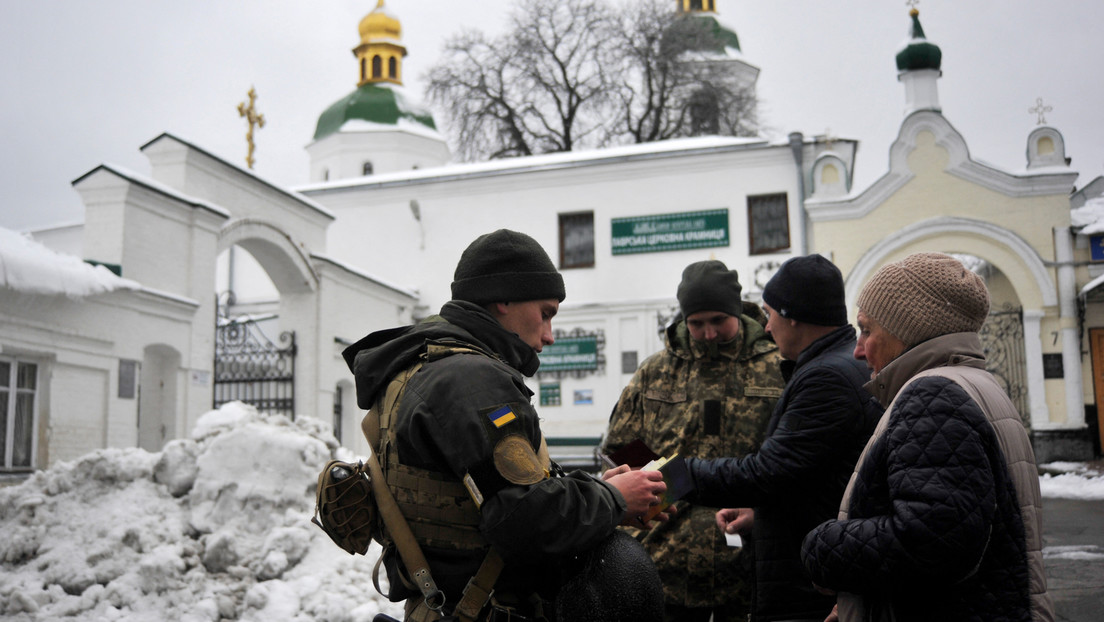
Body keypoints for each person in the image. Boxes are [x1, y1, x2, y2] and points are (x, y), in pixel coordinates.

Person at [343, 229, 668, 621]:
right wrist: (614, 499)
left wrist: (602, 491)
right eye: (545, 313)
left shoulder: (424, 366)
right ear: (503, 298)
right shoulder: (473, 379)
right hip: (480, 609)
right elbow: (524, 519)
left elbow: (492, 490)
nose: (548, 336)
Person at [800, 252, 1055, 622]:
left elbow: (933, 540)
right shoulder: (971, 384)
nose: (858, 349)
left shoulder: (932, 397)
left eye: (868, 330)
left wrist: (823, 548)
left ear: (908, 331)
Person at [680, 254, 883, 622]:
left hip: (806, 589)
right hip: (800, 569)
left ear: (793, 315)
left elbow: (768, 473)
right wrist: (764, 517)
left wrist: (673, 477)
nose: (767, 327)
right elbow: (812, 481)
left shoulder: (827, 377)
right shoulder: (833, 365)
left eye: (769, 313)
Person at [602, 259, 786, 622]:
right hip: (666, 558)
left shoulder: (776, 365)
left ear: (737, 311)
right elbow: (619, 445)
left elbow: (796, 456)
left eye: (719, 320)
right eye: (696, 323)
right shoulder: (657, 370)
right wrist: (666, 487)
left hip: (751, 561)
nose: (708, 334)